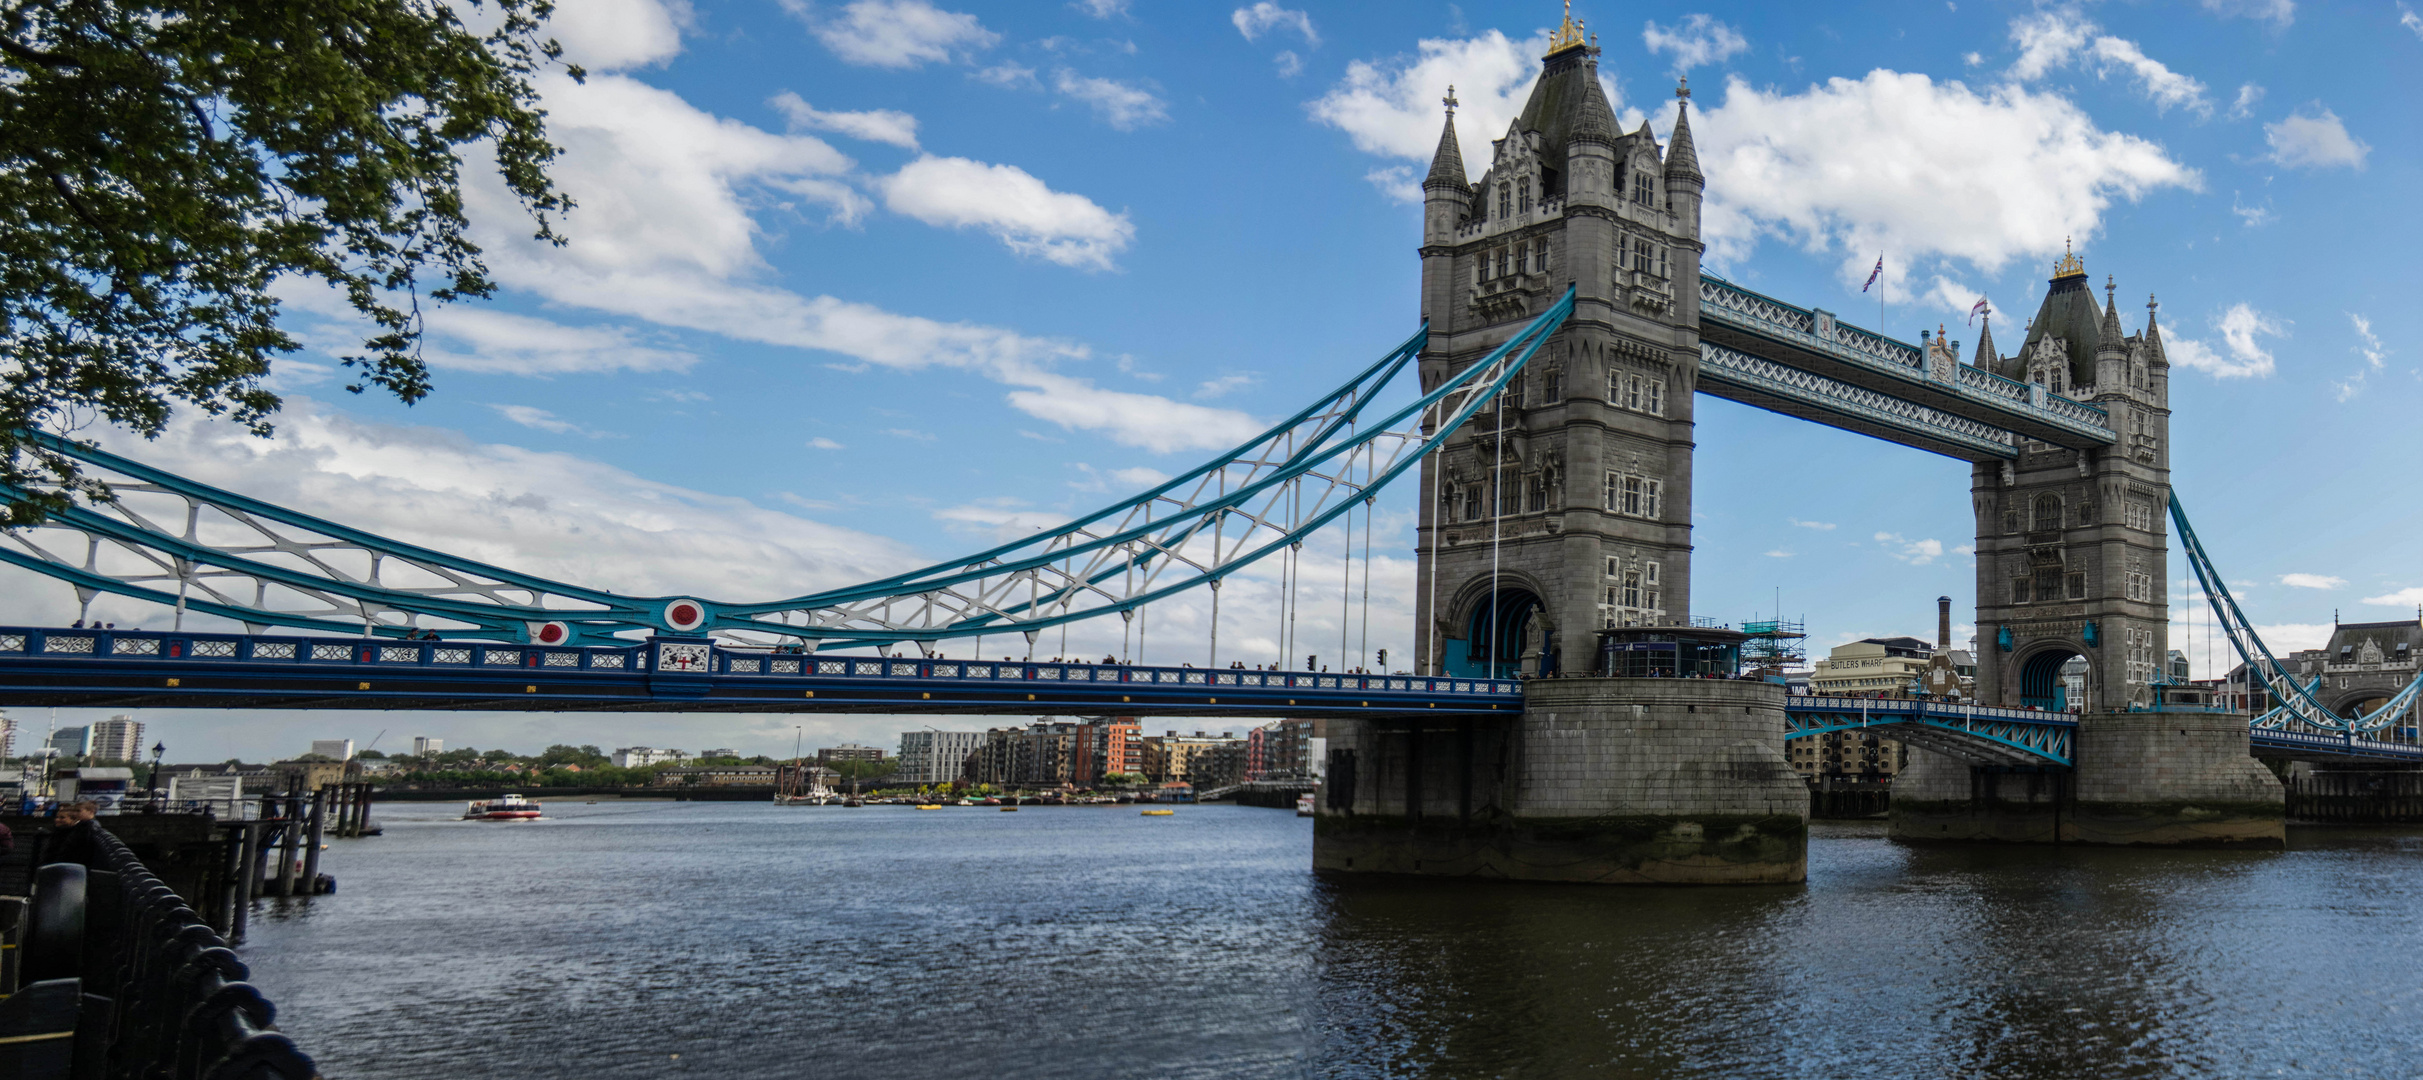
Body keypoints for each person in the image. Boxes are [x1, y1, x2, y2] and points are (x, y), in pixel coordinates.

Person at [42, 800, 103, 868]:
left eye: (78, 811)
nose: (75, 813)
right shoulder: (86, 826)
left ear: (90, 812)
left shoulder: (87, 827)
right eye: (75, 811)